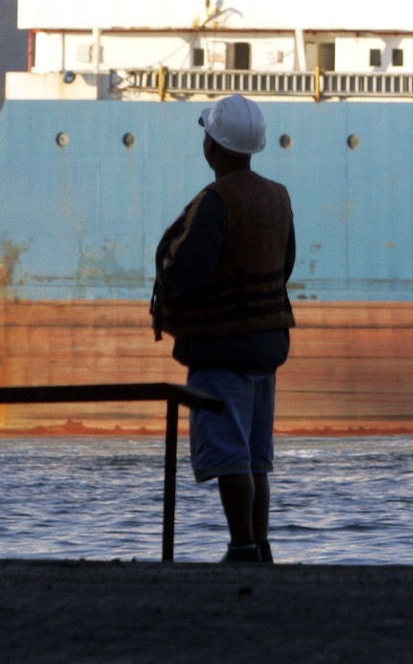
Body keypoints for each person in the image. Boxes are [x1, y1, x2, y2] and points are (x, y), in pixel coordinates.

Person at [152, 94, 296, 564]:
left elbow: (188, 274)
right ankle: (260, 546)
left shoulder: (216, 202)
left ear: (213, 145)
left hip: (221, 348)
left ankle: (241, 548)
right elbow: (285, 263)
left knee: (231, 452)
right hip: (267, 343)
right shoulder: (277, 196)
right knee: (255, 455)